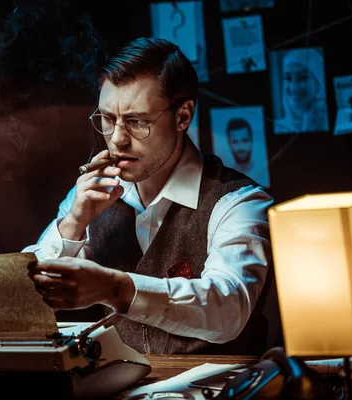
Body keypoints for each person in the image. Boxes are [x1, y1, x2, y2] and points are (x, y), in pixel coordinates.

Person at [22, 37, 275, 355]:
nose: (116, 140)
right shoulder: (87, 196)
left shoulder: (240, 202)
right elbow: (25, 299)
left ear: (183, 116)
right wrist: (73, 222)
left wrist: (114, 289)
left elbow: (228, 308)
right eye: (108, 119)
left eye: (137, 121)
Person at [274, 48, 329, 133]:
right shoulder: (277, 128)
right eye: (288, 78)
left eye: (303, 77)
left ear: (319, 84)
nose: (293, 88)